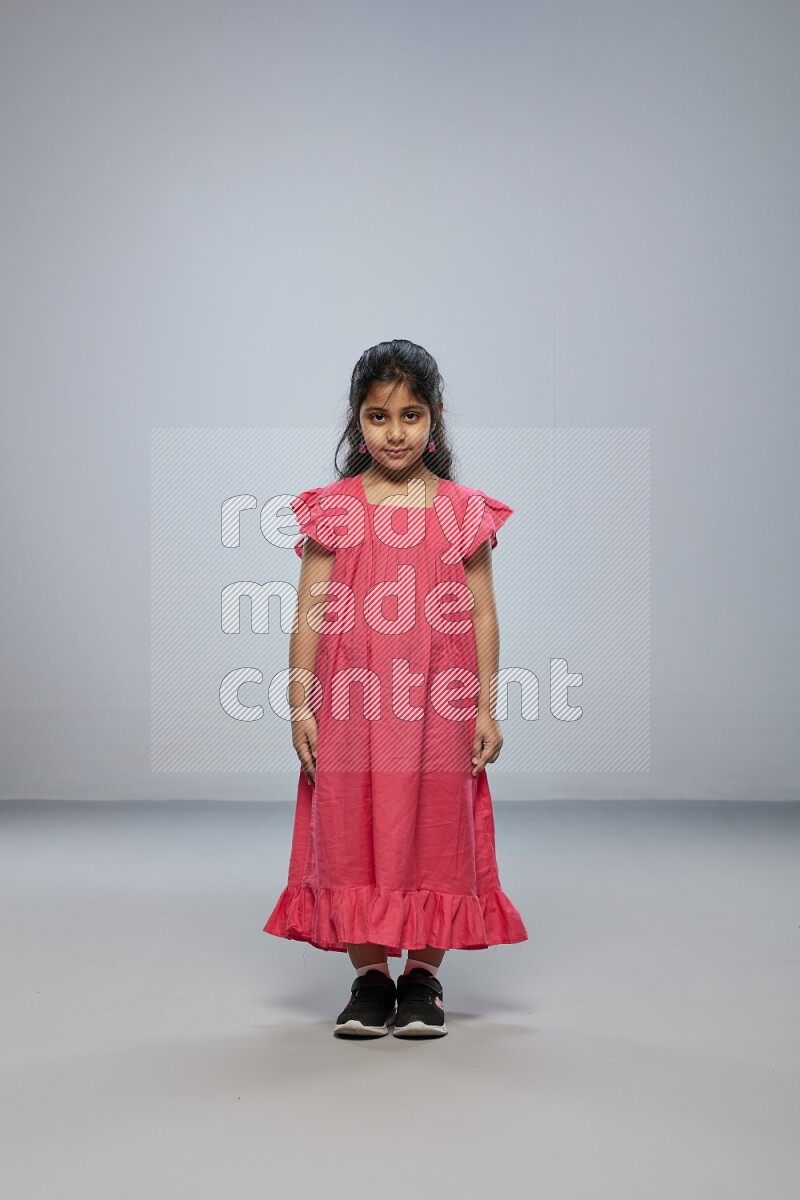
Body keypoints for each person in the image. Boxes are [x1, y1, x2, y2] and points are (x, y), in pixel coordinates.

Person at [263, 339, 528, 1038]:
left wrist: (485, 709)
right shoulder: (335, 509)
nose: (396, 432)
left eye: (410, 415)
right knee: (350, 829)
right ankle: (370, 977)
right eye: (379, 417)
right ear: (357, 422)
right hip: (350, 706)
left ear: (434, 419)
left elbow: (480, 611)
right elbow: (311, 608)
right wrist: (300, 704)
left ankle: (423, 978)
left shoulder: (461, 509)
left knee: (437, 830)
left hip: (438, 706)